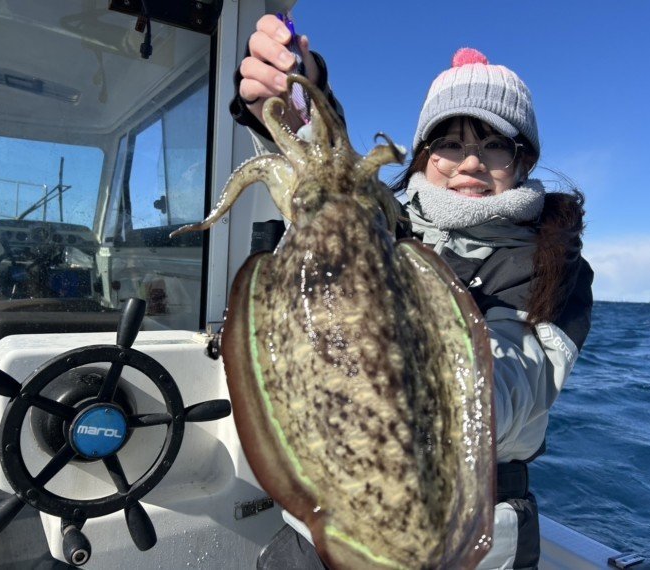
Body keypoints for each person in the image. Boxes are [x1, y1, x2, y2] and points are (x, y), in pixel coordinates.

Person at [230, 14, 593, 570]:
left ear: (523, 161)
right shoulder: (388, 226)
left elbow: (518, 383)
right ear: (424, 154)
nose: (470, 162)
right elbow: (327, 186)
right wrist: (293, 97)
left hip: (462, 531)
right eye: (449, 143)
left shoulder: (550, 262)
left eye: (495, 145)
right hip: (319, 518)